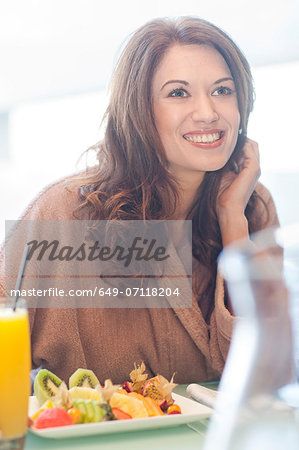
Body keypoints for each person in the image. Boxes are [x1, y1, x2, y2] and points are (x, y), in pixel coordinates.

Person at [0, 17, 279, 385]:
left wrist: (232, 220)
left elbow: (267, 373)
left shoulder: (251, 207)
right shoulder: (63, 214)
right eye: (178, 93)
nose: (209, 112)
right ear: (139, 110)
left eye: (223, 90)